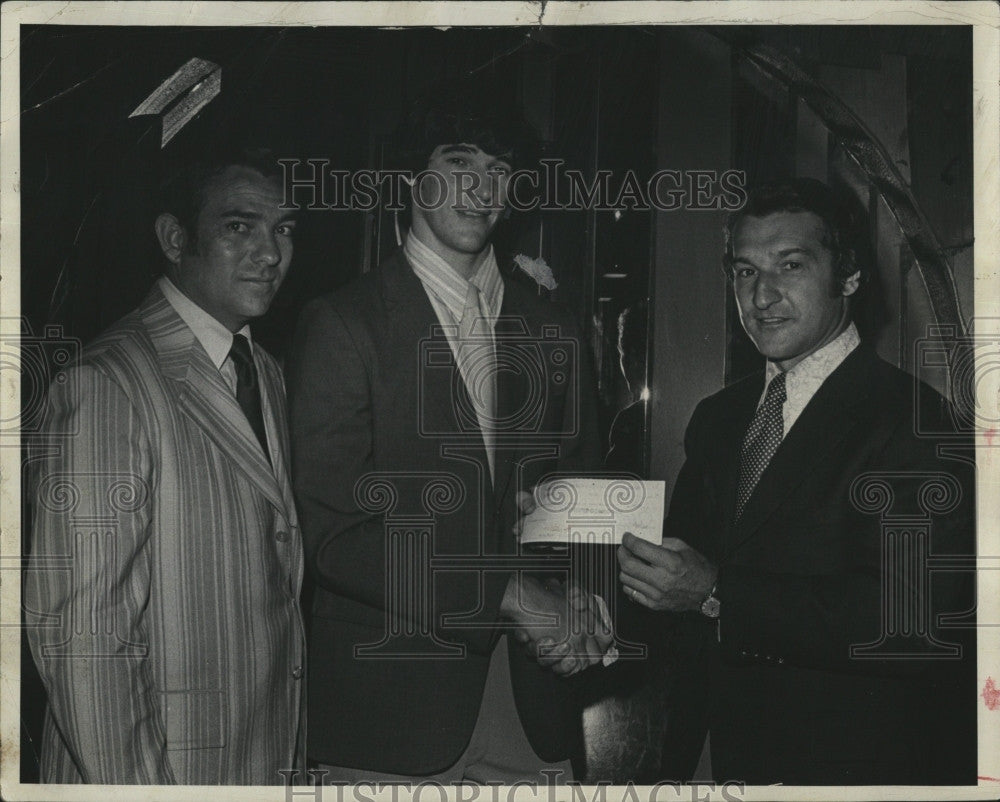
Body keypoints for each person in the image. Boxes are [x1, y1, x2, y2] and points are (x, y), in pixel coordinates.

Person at [288, 99, 612, 784]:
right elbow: (335, 534)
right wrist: (510, 594)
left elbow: (583, 494)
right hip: (389, 717)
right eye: (458, 164)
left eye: (498, 171)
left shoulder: (553, 328)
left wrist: (588, 605)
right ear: (413, 179)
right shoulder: (343, 324)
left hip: (535, 711)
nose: (481, 188)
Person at [617, 178, 976, 784]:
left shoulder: (910, 419)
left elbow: (909, 618)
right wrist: (600, 607)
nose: (762, 295)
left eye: (791, 265)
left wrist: (718, 592)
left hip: (852, 768)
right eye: (744, 271)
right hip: (714, 759)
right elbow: (682, 570)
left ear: (851, 277)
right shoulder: (718, 417)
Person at [25, 146, 306, 785]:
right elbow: (84, 639)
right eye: (240, 227)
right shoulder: (106, 384)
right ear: (175, 238)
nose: (270, 254)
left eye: (283, 230)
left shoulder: (262, 370)